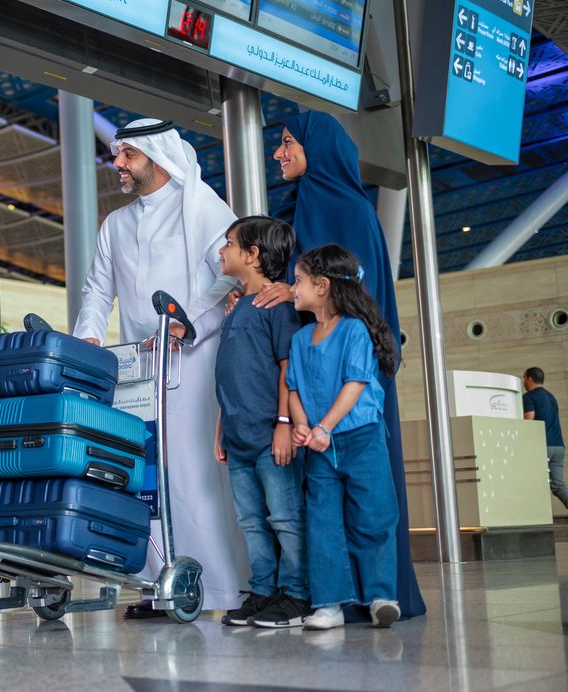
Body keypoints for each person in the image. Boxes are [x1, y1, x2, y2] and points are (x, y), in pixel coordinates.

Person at [253, 111, 426, 620]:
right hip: (316, 389)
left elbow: (358, 295)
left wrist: (291, 290)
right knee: (324, 506)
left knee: (369, 501)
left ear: (317, 149)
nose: (278, 153)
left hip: (352, 392)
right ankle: (335, 598)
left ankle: (377, 593)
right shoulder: (309, 203)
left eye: (287, 143)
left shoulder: (349, 209)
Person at [73, 117, 248, 616]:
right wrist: (88, 332)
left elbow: (228, 281)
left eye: (127, 155)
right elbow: (97, 289)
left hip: (194, 366)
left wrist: (187, 323)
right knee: (145, 479)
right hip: (136, 371)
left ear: (156, 157)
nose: (118, 164)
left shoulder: (203, 207)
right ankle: (157, 587)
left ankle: (215, 587)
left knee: (192, 476)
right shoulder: (116, 224)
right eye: (118, 154)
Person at [286, 245, 401, 631]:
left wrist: (324, 428)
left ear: (322, 286)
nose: (293, 287)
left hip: (360, 436)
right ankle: (329, 605)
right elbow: (294, 390)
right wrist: (302, 425)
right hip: (319, 446)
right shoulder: (301, 339)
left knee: (374, 515)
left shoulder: (354, 329)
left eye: (298, 280)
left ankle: (381, 597)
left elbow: (355, 383)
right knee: (322, 522)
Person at [213, 216, 308, 627]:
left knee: (285, 518)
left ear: (252, 255)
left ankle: (296, 594)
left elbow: (289, 367)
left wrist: (284, 423)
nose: (222, 250)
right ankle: (263, 589)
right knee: (252, 522)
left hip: (272, 435)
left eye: (229, 243)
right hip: (238, 436)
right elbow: (230, 372)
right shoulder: (235, 307)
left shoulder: (276, 306)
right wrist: (221, 427)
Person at [522, 367, 568, 509]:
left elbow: (529, 421)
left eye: (524, 378)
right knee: (558, 485)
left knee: (534, 482)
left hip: (543, 446)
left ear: (529, 378)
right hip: (558, 447)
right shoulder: (551, 396)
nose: (523, 381)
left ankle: (534, 515)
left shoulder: (529, 396)